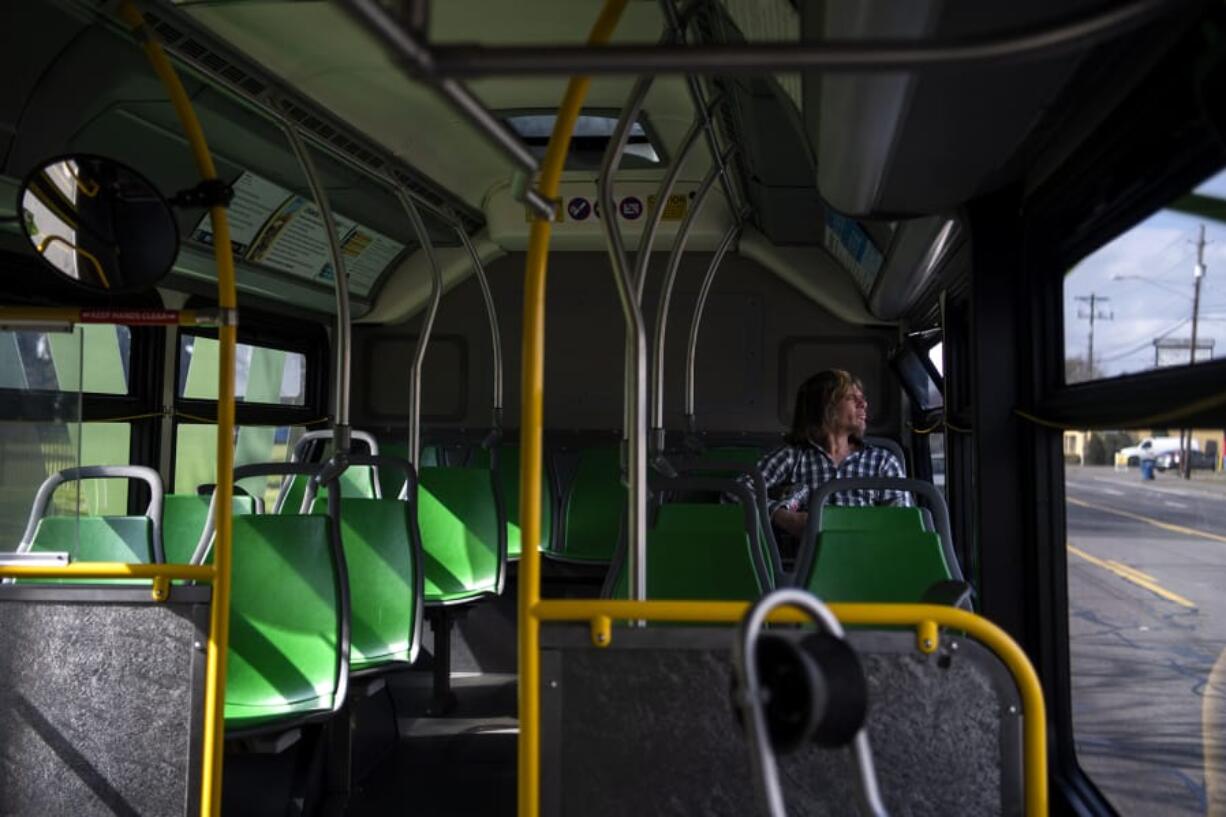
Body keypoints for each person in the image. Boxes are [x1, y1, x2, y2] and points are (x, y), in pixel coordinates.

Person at [753, 369, 910, 540]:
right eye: (851, 397)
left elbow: (903, 521)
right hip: (805, 563)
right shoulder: (793, 456)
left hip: (869, 556)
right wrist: (783, 517)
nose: (863, 404)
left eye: (862, 397)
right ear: (825, 406)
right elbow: (736, 494)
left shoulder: (882, 461)